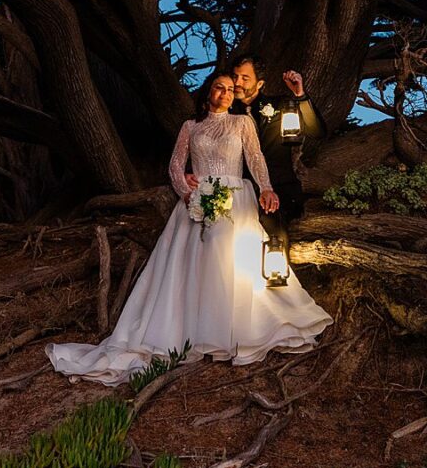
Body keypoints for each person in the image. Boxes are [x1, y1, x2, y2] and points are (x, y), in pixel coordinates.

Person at [46, 70, 331, 386]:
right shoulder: (190, 126)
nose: (223, 93)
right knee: (190, 266)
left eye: (228, 89)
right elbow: (174, 165)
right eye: (217, 87)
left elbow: (255, 157)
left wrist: (265, 187)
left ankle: (233, 331)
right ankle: (190, 333)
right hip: (197, 199)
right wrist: (186, 191)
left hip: (235, 197)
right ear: (208, 92)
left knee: (231, 261)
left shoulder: (242, 123)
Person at [229, 54, 327, 250]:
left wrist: (299, 94)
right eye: (235, 76)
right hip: (240, 190)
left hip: (281, 187)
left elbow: (317, 131)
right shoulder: (226, 112)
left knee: (275, 233)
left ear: (260, 84)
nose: (237, 82)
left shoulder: (281, 105)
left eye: (245, 78)